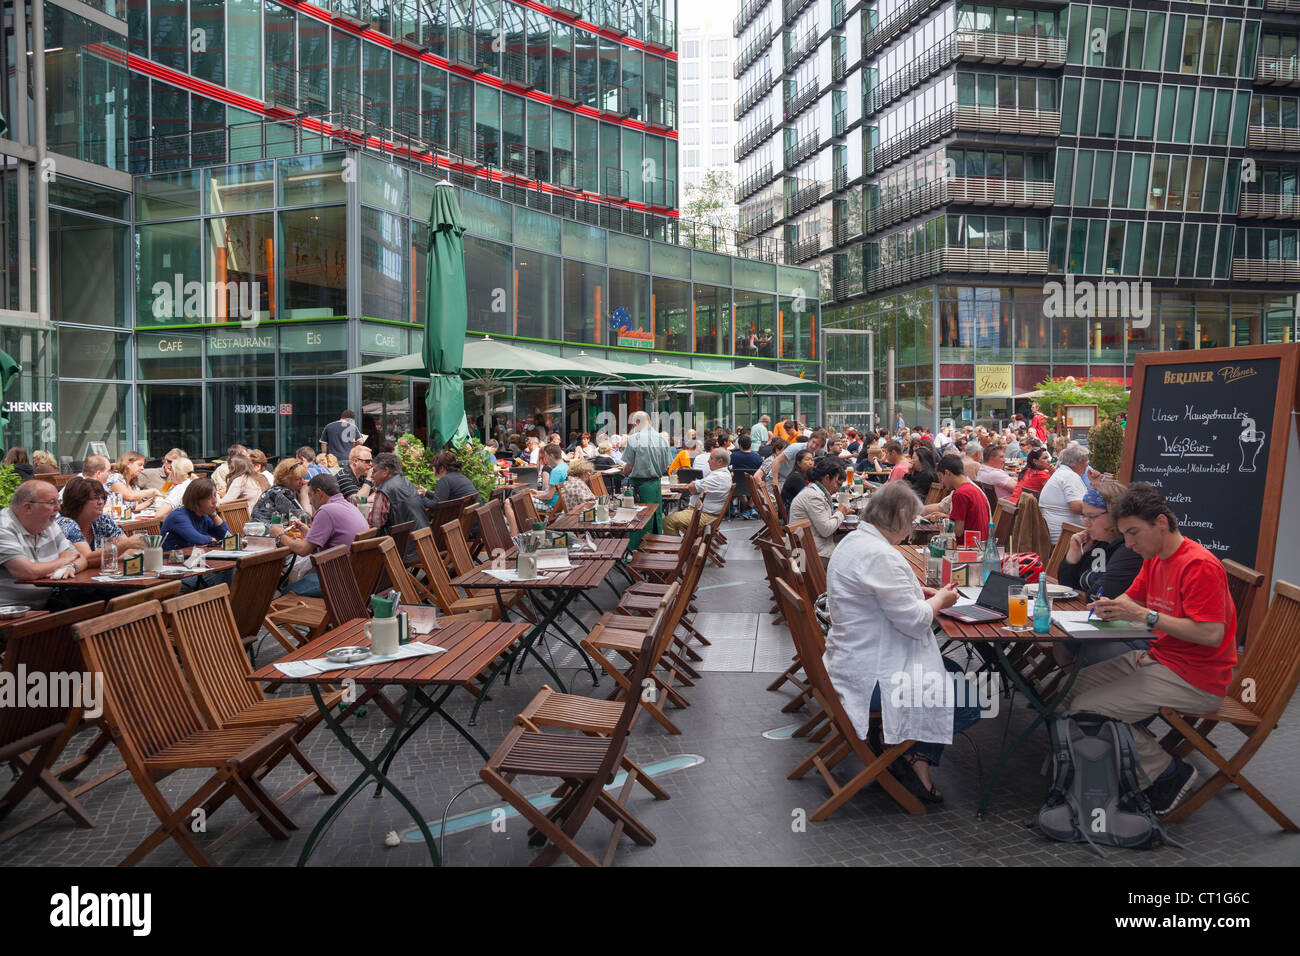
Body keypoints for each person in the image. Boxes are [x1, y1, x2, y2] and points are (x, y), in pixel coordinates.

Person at [1071, 483, 1237, 815]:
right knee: (1071, 689)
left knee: (1087, 709)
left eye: (1133, 533)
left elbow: (1210, 634)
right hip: (1160, 660)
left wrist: (1147, 617)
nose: (1129, 544)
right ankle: (1115, 766)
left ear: (1161, 523)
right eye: (1124, 534)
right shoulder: (1156, 557)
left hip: (1196, 679)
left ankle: (1167, 773)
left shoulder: (1198, 564)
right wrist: (1110, 607)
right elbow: (1130, 599)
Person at [824, 481, 971, 804]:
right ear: (901, 515)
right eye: (913, 522)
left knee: (952, 670)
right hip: (872, 674)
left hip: (849, 660)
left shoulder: (853, 542)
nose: (912, 530)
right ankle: (910, 755)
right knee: (971, 696)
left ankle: (899, 746)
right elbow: (916, 621)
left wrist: (919, 595)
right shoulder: (880, 556)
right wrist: (941, 600)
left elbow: (875, 597)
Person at [1056, 480, 1145, 665]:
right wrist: (1074, 554)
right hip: (1089, 617)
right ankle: (1068, 689)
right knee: (1058, 640)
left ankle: (1071, 689)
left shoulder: (1129, 549)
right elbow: (1066, 586)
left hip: (1123, 630)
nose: (1086, 522)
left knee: (1062, 640)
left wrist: (1083, 593)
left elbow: (1099, 594)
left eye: (1092, 517)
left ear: (1114, 515)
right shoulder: (1097, 541)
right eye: (1083, 516)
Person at [277, 473, 369, 597]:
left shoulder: (326, 510)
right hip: (356, 578)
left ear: (319, 493)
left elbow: (303, 550)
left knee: (285, 592)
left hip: (337, 582)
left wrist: (279, 536)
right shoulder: (349, 506)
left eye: (310, 495)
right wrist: (310, 533)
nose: (309, 501)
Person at [0, 481, 85, 609]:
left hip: (40, 607)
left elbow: (81, 558)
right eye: (52, 503)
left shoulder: (48, 524)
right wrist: (63, 560)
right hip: (7, 612)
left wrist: (71, 567)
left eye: (58, 501)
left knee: (100, 605)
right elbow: (27, 571)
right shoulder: (3, 527)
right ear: (28, 507)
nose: (59, 508)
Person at [56, 476, 145, 566]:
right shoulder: (65, 523)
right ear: (78, 501)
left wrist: (108, 556)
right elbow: (87, 559)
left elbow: (130, 551)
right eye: (95, 498)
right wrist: (126, 544)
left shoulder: (102, 519)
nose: (101, 502)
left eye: (103, 498)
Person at [788, 457, 853, 564]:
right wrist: (840, 512)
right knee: (856, 553)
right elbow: (826, 530)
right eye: (838, 484)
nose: (838, 489)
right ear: (827, 478)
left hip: (811, 546)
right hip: (809, 555)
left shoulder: (815, 492)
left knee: (852, 541)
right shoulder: (813, 496)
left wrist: (839, 512)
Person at [621, 410, 673, 535]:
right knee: (656, 516)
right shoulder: (662, 439)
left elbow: (628, 467)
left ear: (637, 423)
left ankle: (640, 548)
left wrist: (623, 472)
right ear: (649, 422)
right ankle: (655, 542)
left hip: (640, 486)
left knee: (640, 519)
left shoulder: (634, 439)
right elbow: (667, 467)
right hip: (656, 484)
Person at [366, 452, 431, 547]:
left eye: (374, 471)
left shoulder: (385, 489)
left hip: (404, 551)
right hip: (425, 544)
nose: (372, 475)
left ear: (385, 471)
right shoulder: (406, 482)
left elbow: (375, 524)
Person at [663, 447, 732, 536]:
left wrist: (695, 488)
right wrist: (696, 488)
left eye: (711, 458)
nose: (708, 461)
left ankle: (678, 548)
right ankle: (679, 545)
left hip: (705, 515)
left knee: (668, 521)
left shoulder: (718, 477)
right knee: (671, 519)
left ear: (720, 462)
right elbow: (695, 487)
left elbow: (693, 487)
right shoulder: (721, 474)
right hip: (704, 512)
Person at [159, 477, 230, 550]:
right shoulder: (178, 517)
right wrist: (211, 539)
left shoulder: (204, 516)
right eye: (209, 498)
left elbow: (228, 538)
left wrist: (214, 515)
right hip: (170, 559)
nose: (215, 501)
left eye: (215, 495)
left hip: (190, 559)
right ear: (196, 500)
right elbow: (196, 538)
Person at [931, 453, 990, 540]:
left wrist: (942, 520)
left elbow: (958, 531)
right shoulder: (975, 489)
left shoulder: (960, 493)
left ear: (947, 473)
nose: (942, 483)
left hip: (968, 547)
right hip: (980, 544)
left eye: (941, 478)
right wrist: (947, 517)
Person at [1039, 442, 1089, 544]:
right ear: (1079, 463)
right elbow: (1076, 507)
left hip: (1056, 533)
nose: (1088, 465)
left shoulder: (1062, 473)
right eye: (1087, 462)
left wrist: (1095, 484)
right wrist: (1103, 506)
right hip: (1065, 538)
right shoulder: (1069, 476)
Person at [252, 460, 312, 526]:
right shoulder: (279, 493)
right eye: (298, 479)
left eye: (303, 478)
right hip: (260, 532)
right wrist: (304, 494)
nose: (302, 482)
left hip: (274, 531)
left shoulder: (293, 491)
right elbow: (306, 519)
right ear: (286, 479)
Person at [531, 444, 567, 513]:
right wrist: (538, 492)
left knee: (517, 502)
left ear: (551, 456)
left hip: (551, 506)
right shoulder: (565, 466)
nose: (545, 459)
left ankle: (526, 524)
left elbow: (549, 496)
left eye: (546, 456)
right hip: (559, 505)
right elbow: (552, 492)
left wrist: (534, 496)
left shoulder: (556, 471)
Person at [780, 448, 816, 515]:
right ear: (799, 463)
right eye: (807, 460)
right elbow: (807, 499)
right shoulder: (796, 478)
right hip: (791, 513)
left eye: (812, 460)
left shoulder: (803, 475)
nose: (811, 463)